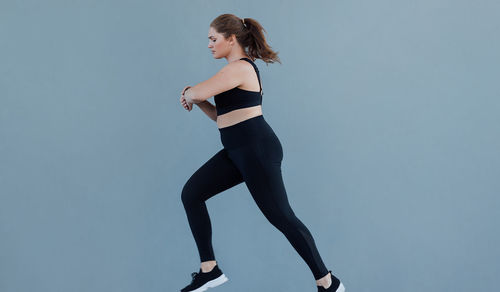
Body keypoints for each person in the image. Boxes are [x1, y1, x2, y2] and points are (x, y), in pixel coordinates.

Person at [178, 13, 345, 292]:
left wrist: (190, 94)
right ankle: (210, 269)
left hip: (256, 150)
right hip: (236, 150)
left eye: (213, 38)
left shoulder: (239, 68)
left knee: (281, 216)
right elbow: (224, 118)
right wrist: (199, 101)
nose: (209, 44)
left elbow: (196, 92)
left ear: (231, 39)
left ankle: (328, 283)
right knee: (191, 194)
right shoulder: (233, 72)